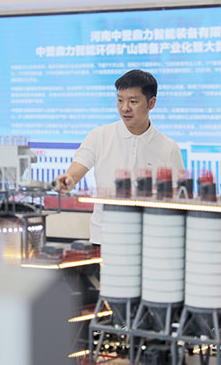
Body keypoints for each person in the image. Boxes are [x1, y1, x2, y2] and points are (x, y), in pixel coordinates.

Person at [54, 70, 185, 245]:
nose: (125, 108)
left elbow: (178, 198)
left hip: (151, 240)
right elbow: (75, 171)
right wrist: (67, 180)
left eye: (133, 101)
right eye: (120, 100)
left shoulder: (169, 147)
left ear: (151, 103)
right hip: (105, 237)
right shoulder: (100, 135)